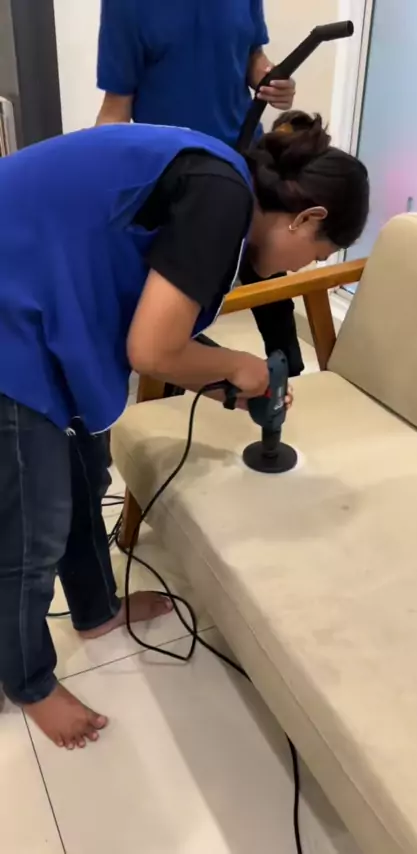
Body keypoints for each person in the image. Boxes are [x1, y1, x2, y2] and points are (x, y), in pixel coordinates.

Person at [0, 111, 369, 749]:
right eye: (317, 254)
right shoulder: (222, 201)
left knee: (85, 477)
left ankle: (96, 611)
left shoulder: (220, 183)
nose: (298, 270)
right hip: (12, 311)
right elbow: (150, 350)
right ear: (306, 218)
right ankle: (27, 682)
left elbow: (152, 323)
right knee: (33, 526)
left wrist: (221, 380)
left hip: (46, 300)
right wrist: (235, 365)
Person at [95, 0, 303, 376]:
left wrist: (271, 80)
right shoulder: (126, 5)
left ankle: (291, 374)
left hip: (244, 156)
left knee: (266, 270)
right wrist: (98, 183)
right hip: (177, 174)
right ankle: (175, 380)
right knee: (180, 295)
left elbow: (252, 56)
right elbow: (116, 108)